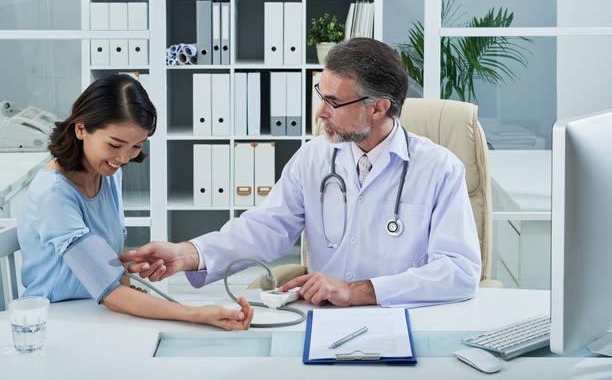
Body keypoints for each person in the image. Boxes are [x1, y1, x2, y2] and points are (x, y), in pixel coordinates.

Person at [120, 38, 482, 308]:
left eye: (334, 102)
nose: (320, 112)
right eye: (320, 95)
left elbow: (459, 271)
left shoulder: (438, 169)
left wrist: (359, 291)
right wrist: (187, 254)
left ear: (379, 108)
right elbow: (266, 228)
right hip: (325, 319)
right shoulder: (314, 158)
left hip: (402, 317)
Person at [18, 74, 253, 330]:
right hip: (55, 320)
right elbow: (108, 290)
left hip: (93, 311)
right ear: (81, 128)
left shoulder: (108, 175)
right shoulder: (54, 194)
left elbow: (100, 269)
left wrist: (127, 269)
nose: (123, 158)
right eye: (115, 144)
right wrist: (196, 315)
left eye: (136, 146)